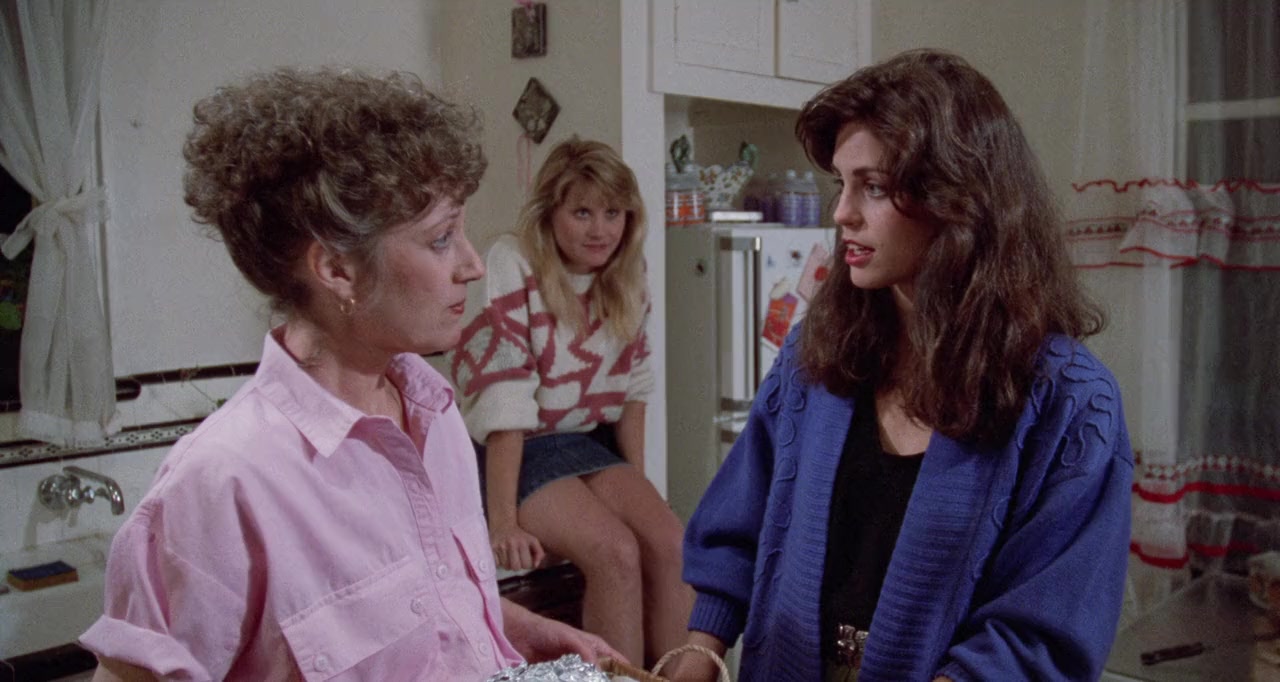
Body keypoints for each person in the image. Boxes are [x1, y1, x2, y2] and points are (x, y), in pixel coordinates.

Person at [79, 67, 620, 682]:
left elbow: (415, 607)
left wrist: (517, 630)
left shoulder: (436, 413)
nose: (472, 264)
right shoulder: (220, 487)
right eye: (442, 238)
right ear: (337, 270)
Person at [665, 49, 1134, 682]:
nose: (842, 213)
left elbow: (1041, 632)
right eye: (841, 183)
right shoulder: (813, 357)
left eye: (875, 187)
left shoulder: (1071, 401)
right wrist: (700, 651)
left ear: (959, 200)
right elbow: (738, 527)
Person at [450, 137, 693, 667]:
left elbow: (634, 389)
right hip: (519, 447)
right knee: (614, 552)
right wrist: (502, 521)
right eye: (582, 212)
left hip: (587, 441)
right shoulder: (512, 260)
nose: (600, 229)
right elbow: (504, 400)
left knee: (674, 544)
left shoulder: (627, 272)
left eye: (613, 213)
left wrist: (637, 489)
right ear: (550, 213)